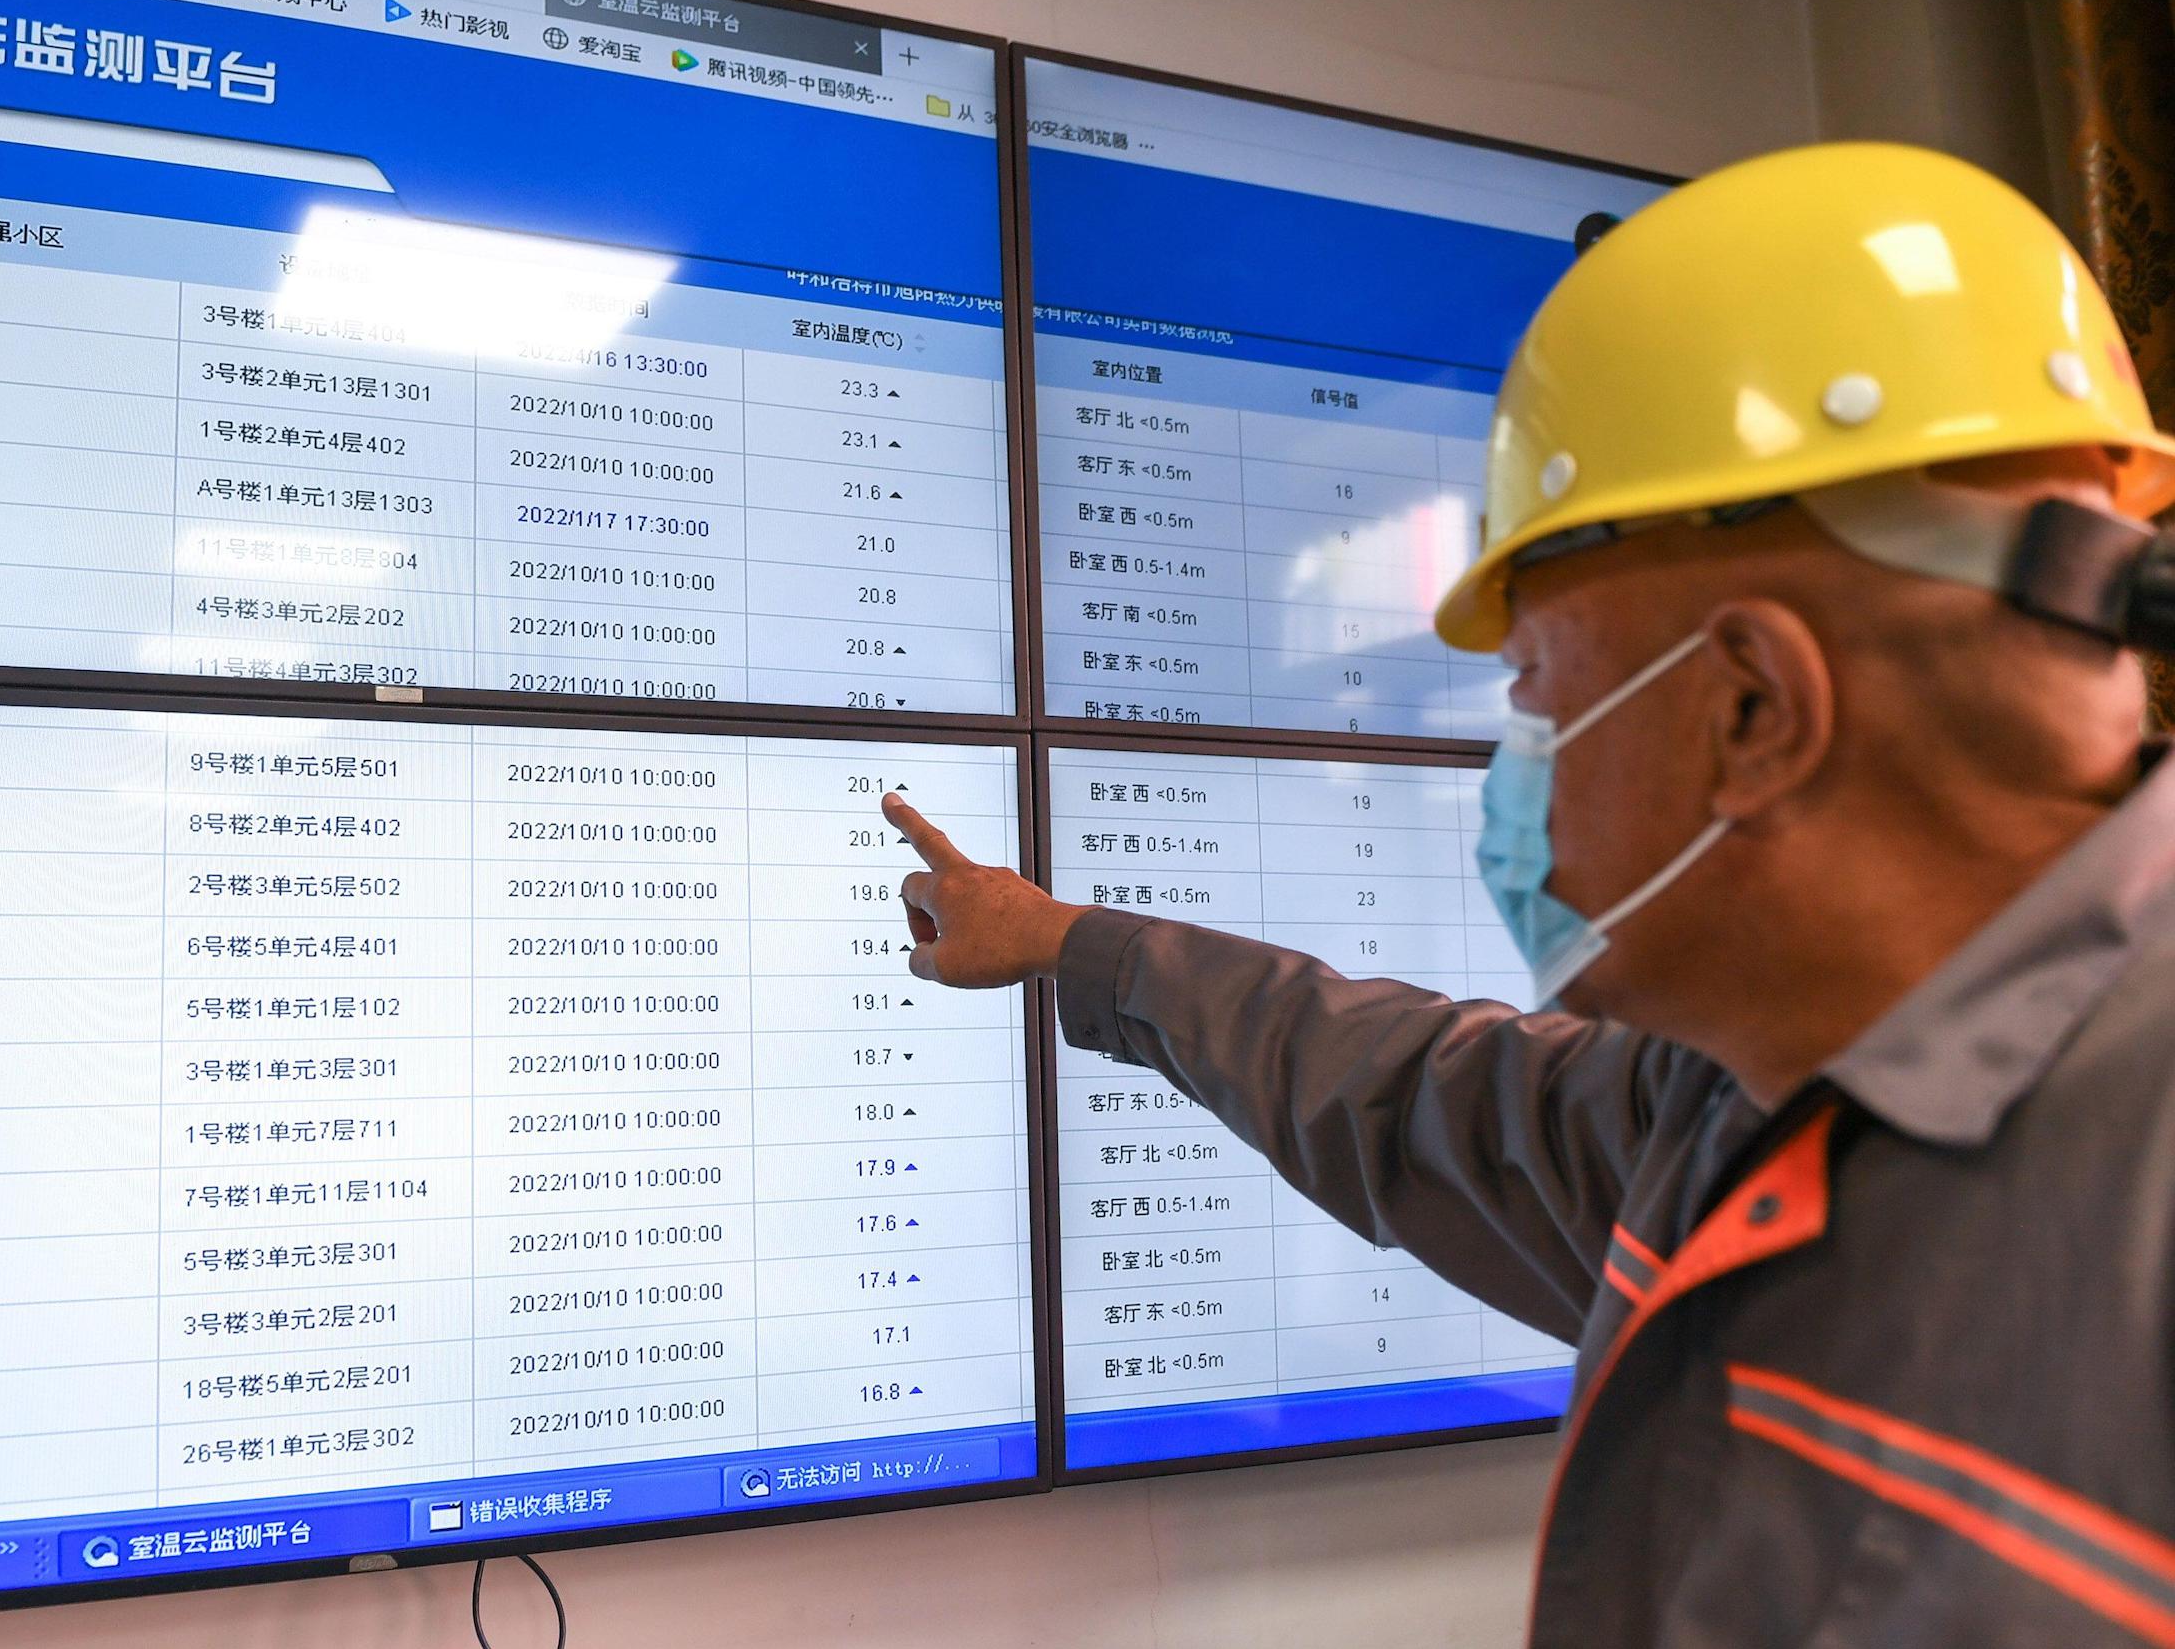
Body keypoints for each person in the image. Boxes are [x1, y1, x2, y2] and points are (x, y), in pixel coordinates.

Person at [887, 141, 2175, 1647]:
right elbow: (1401, 1089)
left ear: (1752, 708)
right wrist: (1065, 944)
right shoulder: (1738, 1111)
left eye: (1538, 687)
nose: (1519, 768)